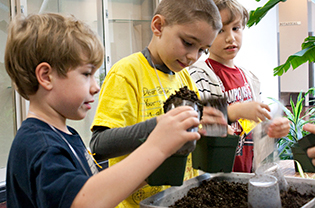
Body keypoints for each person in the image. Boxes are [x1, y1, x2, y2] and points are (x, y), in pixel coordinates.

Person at [5, 13, 204, 208]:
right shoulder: (40, 146)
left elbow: (96, 186)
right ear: (46, 76)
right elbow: (85, 201)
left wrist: (156, 164)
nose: (96, 87)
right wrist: (156, 146)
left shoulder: (67, 135)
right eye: (86, 74)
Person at [90, 0, 224, 207]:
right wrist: (160, 127)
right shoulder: (127, 73)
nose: (192, 57)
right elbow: (100, 145)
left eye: (202, 50)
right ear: (158, 26)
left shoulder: (184, 78)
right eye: (188, 43)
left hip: (180, 198)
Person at [188, 0, 290, 173]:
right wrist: (233, 111)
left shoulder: (249, 77)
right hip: (213, 176)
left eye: (236, 28)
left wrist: (273, 128)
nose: (231, 38)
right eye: (220, 31)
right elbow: (196, 122)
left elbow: (255, 129)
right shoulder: (197, 75)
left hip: (246, 173)